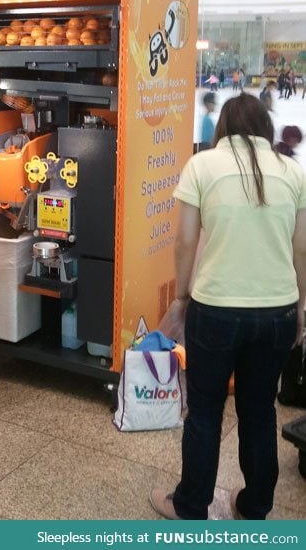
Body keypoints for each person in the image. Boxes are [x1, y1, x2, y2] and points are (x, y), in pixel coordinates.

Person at [150, 93, 306, 520]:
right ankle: (255, 505)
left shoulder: (202, 165)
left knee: (203, 410)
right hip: (277, 311)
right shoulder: (293, 172)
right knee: (259, 411)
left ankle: (191, 505)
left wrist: (181, 297)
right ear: (265, 129)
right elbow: (303, 251)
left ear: (222, 129)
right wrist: (302, 310)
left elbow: (184, 241)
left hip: (215, 307)